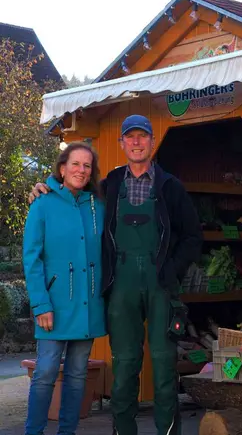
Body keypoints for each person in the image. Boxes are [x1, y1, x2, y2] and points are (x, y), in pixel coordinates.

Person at [29, 115, 202, 435]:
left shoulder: (170, 187)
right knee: (124, 366)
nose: (137, 142)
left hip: (160, 286)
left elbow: (193, 236)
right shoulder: (108, 187)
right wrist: (44, 188)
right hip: (120, 286)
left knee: (165, 367)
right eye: (130, 137)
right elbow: (72, 196)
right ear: (122, 144)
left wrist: (171, 270)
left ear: (152, 142)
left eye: (143, 136)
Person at [23, 142, 106, 435]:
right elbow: (31, 258)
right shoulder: (42, 203)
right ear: (62, 168)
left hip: (87, 304)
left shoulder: (98, 205)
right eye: (75, 164)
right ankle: (34, 431)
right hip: (53, 306)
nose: (81, 170)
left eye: (86, 166)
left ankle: (67, 432)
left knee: (77, 375)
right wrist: (40, 304)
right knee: (45, 373)